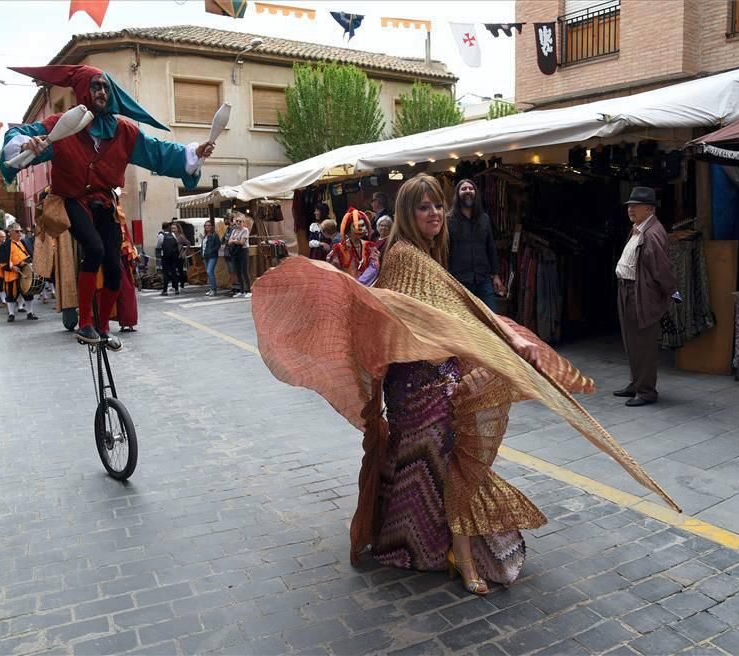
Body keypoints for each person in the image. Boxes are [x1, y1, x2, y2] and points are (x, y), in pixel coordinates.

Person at [251, 174, 678, 596]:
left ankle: (437, 546)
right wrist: (507, 339)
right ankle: (447, 550)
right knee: (438, 460)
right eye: (424, 206)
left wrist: (502, 339)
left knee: (438, 460)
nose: (435, 213)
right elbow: (449, 311)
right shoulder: (406, 256)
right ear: (406, 212)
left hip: (431, 374)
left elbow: (457, 303)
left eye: (438, 205)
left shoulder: (421, 254)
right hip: (420, 381)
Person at [0, 64, 214, 349]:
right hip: (71, 199)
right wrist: (27, 145)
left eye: (105, 87)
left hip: (104, 201)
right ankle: (85, 322)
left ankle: (101, 329)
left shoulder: (123, 131)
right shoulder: (60, 126)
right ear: (82, 90)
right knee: (95, 249)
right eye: (95, 86)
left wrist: (192, 154)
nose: (101, 92)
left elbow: (158, 152)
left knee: (114, 267)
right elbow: (20, 137)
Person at [614, 187, 678, 407]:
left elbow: (662, 269)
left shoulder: (652, 233)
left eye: (635, 205)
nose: (630, 209)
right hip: (627, 289)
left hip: (640, 293)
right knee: (632, 342)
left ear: (649, 209)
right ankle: (636, 384)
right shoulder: (639, 229)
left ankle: (646, 391)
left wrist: (671, 293)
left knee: (644, 344)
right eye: (629, 205)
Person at [447, 179, 504, 312]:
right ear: (457, 194)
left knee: (491, 317)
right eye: (464, 189)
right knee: (463, 322)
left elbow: (490, 247)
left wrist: (495, 275)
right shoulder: (449, 220)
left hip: (483, 279)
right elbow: (444, 250)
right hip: (459, 281)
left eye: (470, 188)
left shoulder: (484, 219)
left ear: (476, 193)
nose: (467, 191)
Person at [326, 208, 379, 282]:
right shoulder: (339, 249)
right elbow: (334, 271)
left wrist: (360, 283)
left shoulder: (369, 246)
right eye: (356, 226)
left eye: (363, 225)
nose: (361, 229)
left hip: (367, 289)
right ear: (348, 229)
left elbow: (374, 267)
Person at [1, 223, 38, 322]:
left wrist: (29, 263)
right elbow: (2, 260)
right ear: (10, 232)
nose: (20, 233)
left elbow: (31, 254)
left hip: (25, 271)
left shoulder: (24, 242)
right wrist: (12, 266)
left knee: (28, 292)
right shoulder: (6, 245)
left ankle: (30, 313)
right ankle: (11, 314)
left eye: (21, 231)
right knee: (11, 294)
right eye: (17, 231)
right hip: (13, 273)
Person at [227, 214, 251, 298]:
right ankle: (242, 291)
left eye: (240, 221)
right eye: (236, 221)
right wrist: (235, 240)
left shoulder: (245, 230)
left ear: (243, 222)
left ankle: (249, 290)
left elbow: (242, 242)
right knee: (237, 272)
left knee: (244, 271)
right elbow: (229, 242)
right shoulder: (234, 231)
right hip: (235, 252)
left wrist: (234, 240)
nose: (238, 222)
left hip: (243, 251)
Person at [157, 222, 181, 296]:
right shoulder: (172, 234)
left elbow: (158, 245)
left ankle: (165, 291)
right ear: (168, 227)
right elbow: (176, 243)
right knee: (174, 272)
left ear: (163, 228)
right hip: (173, 256)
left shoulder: (161, 235)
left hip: (165, 256)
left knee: (166, 273)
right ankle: (176, 289)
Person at [201, 220, 220, 297]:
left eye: (208, 225)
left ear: (211, 227)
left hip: (212, 256)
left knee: (209, 271)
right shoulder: (205, 236)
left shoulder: (214, 235)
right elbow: (203, 246)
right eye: (205, 225)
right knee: (209, 273)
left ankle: (214, 289)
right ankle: (211, 288)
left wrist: (211, 251)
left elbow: (218, 245)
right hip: (205, 256)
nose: (207, 227)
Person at [171, 222, 190, 289]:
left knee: (180, 270)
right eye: (172, 228)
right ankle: (174, 284)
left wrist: (184, 252)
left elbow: (188, 243)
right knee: (173, 270)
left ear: (178, 229)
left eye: (174, 228)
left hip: (179, 255)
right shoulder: (171, 236)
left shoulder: (181, 236)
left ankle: (182, 283)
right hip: (172, 255)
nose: (173, 229)